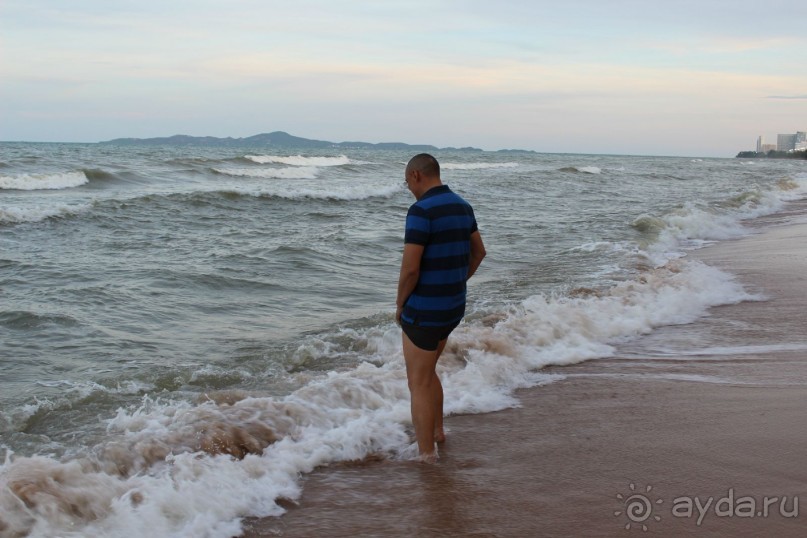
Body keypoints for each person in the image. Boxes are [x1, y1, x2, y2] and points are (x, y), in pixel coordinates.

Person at [396, 153, 486, 463]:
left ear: (416, 176)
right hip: (452, 307)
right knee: (428, 371)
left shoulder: (421, 211)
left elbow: (410, 270)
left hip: (425, 310)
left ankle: (426, 456)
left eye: (407, 182)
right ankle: (437, 432)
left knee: (417, 382)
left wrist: (399, 304)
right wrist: (457, 281)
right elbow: (479, 252)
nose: (408, 188)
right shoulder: (462, 205)